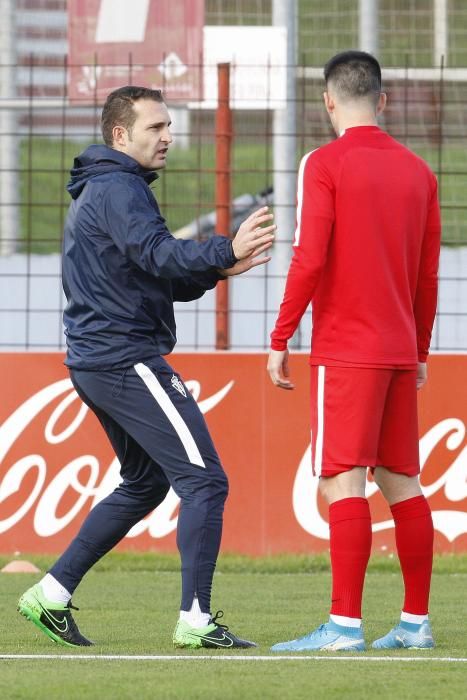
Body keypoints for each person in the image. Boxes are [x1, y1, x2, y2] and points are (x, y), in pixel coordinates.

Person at [18, 85, 275, 650]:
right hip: (122, 357)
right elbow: (160, 254)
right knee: (205, 480)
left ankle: (51, 594)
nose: (168, 137)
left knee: (145, 483)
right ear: (120, 135)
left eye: (168, 127)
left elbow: (151, 273)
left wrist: (216, 268)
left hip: (98, 358)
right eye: (155, 128)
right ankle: (195, 620)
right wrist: (222, 250)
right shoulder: (118, 189)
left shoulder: (105, 188)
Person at [267, 51, 440, 652]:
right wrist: (418, 349)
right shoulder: (420, 172)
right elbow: (427, 275)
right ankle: (415, 624)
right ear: (383, 101)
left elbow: (308, 257)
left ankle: (344, 627)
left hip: (345, 350)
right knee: (402, 483)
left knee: (341, 481)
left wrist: (281, 335)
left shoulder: (323, 163)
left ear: (329, 102)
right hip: (397, 349)